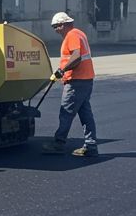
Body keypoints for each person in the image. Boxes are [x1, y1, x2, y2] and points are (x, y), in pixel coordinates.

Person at [41, 11, 98, 157]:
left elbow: (76, 56)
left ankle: (58, 143)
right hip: (86, 79)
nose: (55, 30)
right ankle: (91, 145)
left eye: (56, 27)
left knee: (66, 113)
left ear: (62, 24)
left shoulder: (72, 35)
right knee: (85, 113)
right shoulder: (79, 33)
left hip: (76, 81)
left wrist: (62, 70)